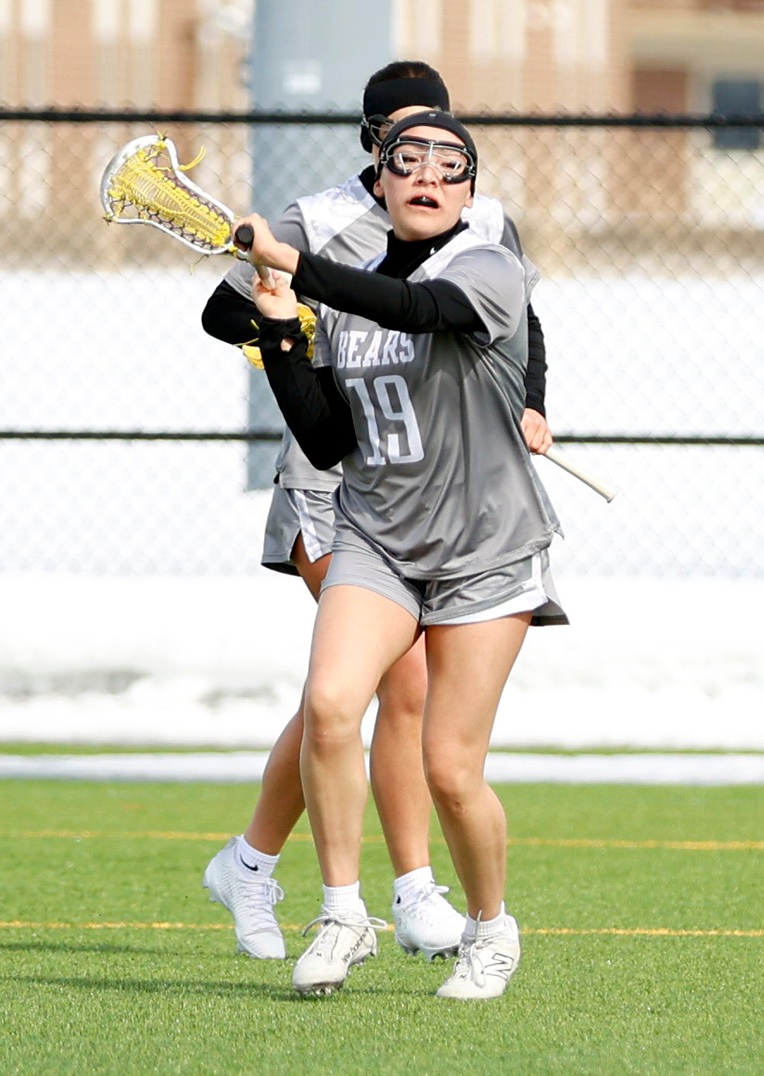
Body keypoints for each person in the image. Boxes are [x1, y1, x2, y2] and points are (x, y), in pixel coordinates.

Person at [196, 61, 554, 965]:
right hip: (360, 505)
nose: (427, 168)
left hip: (476, 527)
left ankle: (428, 902)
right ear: (375, 156)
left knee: (443, 751)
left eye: (446, 151)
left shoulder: (481, 243)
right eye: (408, 149)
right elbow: (310, 417)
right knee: (345, 697)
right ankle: (368, 901)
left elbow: (433, 306)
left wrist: (529, 397)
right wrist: (285, 325)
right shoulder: (318, 228)